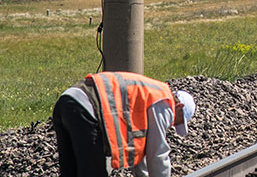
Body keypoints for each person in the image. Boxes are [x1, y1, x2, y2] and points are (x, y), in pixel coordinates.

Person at [53, 71, 197, 177]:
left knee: (71, 172)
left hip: (65, 103)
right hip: (85, 109)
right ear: (179, 107)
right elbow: (157, 154)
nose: (171, 124)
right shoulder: (163, 102)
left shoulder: (150, 94)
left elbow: (142, 153)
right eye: (177, 121)